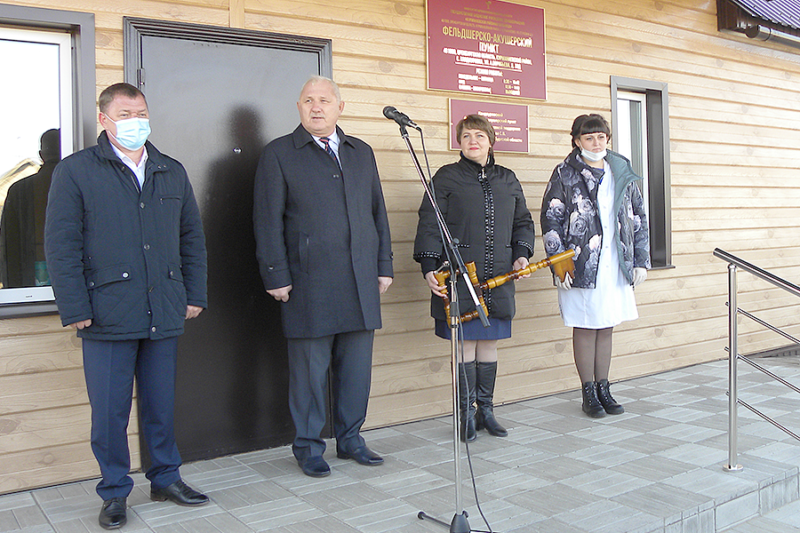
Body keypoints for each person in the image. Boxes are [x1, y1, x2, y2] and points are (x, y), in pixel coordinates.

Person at [44, 83, 209, 530]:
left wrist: (194, 294)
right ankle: (115, 492)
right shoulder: (76, 171)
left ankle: (165, 478)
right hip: (105, 312)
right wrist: (73, 305)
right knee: (111, 412)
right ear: (104, 119)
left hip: (164, 309)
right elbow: (61, 246)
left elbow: (191, 237)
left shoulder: (169, 170)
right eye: (124, 113)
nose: (134, 120)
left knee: (160, 403)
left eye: (140, 111)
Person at [253, 75, 393, 478]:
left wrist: (383, 264)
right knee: (310, 373)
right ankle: (309, 446)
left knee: (355, 369)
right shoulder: (279, 153)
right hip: (307, 280)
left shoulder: (360, 152)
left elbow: (376, 212)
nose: (317, 107)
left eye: (325, 100)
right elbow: (267, 221)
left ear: (340, 107)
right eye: (309, 100)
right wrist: (275, 274)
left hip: (360, 279)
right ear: (298, 107)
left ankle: (350, 439)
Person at [414, 114, 535, 442]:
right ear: (459, 142)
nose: (473, 141)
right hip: (458, 276)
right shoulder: (446, 178)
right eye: (466, 136)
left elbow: (523, 221)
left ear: (491, 141)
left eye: (479, 136)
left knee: (489, 343)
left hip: (498, 277)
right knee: (465, 344)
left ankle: (487, 411)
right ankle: (465, 414)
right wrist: (428, 266)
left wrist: (522, 253)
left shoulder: (508, 179)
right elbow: (430, 223)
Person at [540, 114, 650, 418]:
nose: (596, 142)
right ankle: (588, 391)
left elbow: (638, 216)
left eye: (601, 136)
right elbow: (551, 218)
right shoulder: (565, 172)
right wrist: (558, 263)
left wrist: (640, 259)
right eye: (589, 137)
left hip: (615, 261)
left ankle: (604, 388)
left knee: (607, 325)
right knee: (586, 326)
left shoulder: (620, 170)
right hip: (581, 262)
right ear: (577, 140)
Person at [0, 128, 60, 288]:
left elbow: (8, 246)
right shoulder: (82, 186)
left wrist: (11, 289)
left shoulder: (19, 190)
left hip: (27, 282)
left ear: (42, 155)